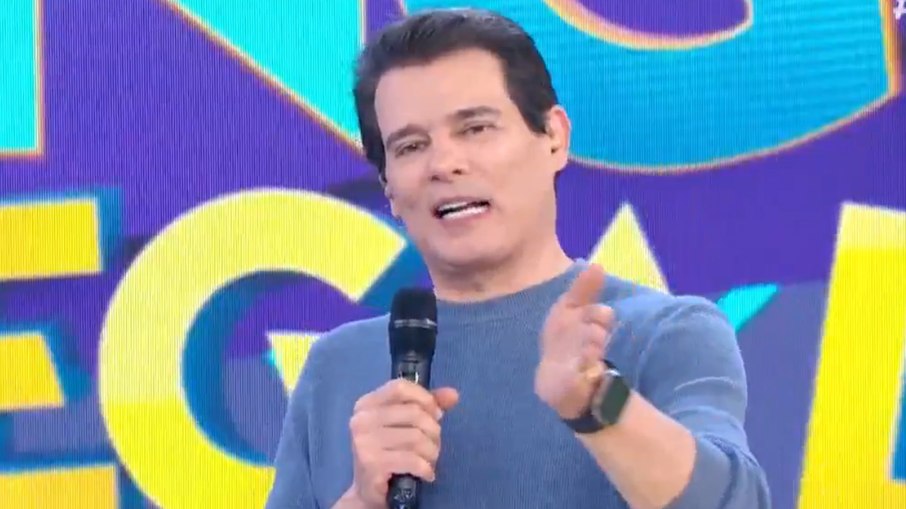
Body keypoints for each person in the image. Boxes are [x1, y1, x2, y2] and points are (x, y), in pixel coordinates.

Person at [266, 7, 771, 509]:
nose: (444, 164)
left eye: (476, 129)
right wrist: (360, 499)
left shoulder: (664, 334)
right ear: (389, 188)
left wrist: (599, 401)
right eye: (411, 146)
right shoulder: (335, 367)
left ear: (553, 137)